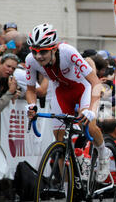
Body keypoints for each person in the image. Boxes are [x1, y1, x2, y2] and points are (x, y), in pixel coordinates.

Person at [24, 23, 111, 182]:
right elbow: (30, 90)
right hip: (60, 92)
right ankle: (67, 194)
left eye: (43, 52)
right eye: (34, 52)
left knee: (89, 125)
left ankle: (103, 154)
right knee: (60, 142)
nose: (38, 57)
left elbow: (95, 83)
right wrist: (32, 105)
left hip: (83, 87)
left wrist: (91, 109)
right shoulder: (30, 60)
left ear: (54, 48)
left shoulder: (68, 52)